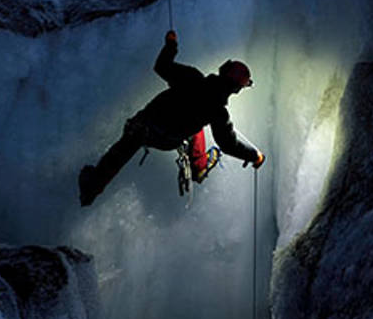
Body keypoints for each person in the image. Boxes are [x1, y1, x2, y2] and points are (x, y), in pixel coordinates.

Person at [79, 29, 264, 206]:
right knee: (196, 129)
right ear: (237, 89)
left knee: (124, 149)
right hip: (167, 139)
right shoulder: (218, 112)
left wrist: (171, 44)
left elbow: (162, 66)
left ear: (222, 69)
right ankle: (199, 167)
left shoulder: (192, 77)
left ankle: (92, 188)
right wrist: (254, 155)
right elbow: (228, 144)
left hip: (144, 124)